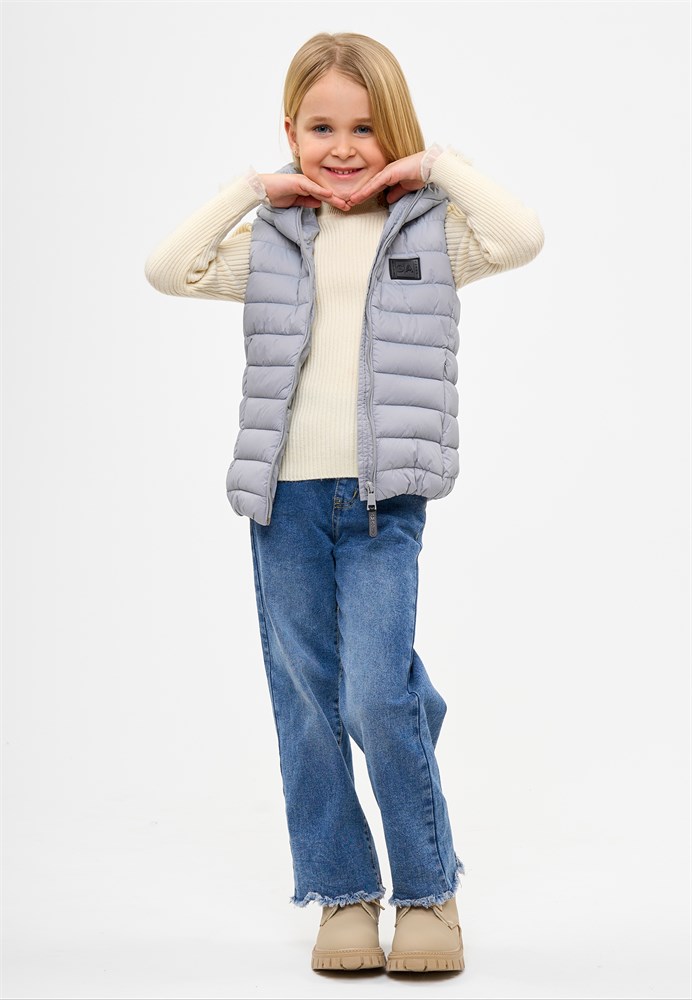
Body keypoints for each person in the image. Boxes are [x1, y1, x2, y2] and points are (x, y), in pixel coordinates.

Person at [144, 30, 544, 975]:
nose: (343, 147)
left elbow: (521, 237)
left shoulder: (431, 233)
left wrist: (435, 166)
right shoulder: (273, 239)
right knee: (310, 704)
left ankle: (429, 893)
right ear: (291, 132)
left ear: (395, 132)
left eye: (366, 127)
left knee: (373, 692)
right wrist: (254, 189)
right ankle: (343, 893)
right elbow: (168, 268)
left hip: (382, 503)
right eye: (321, 127)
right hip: (283, 500)